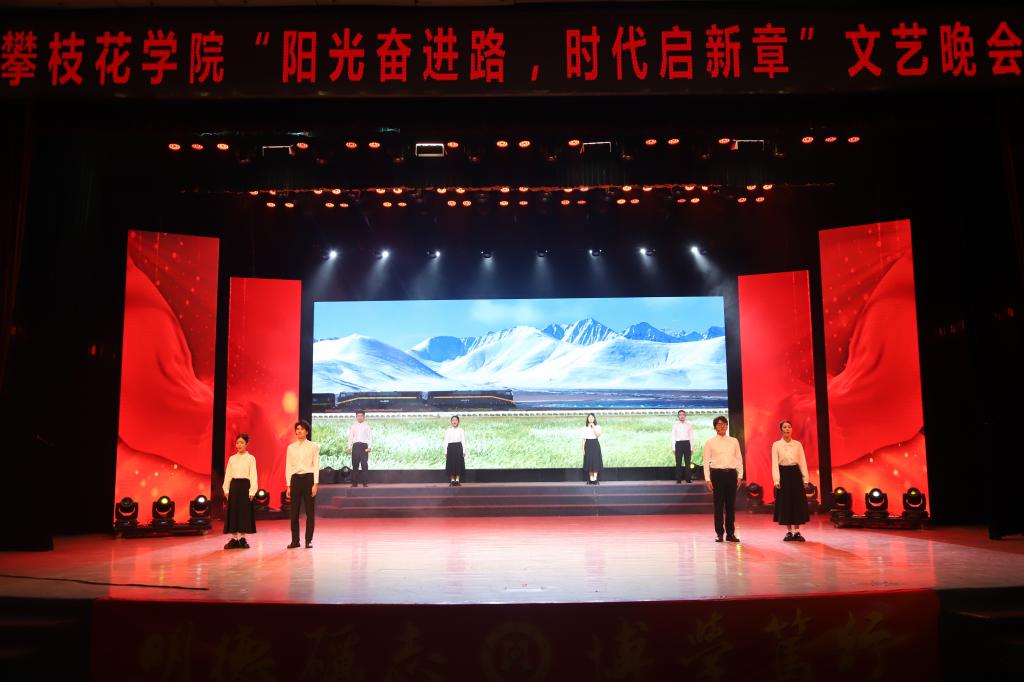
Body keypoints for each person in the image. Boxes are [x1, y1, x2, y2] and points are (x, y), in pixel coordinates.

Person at [703, 415, 745, 543]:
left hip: (731, 474)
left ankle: (730, 534)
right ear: (715, 427)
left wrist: (740, 476)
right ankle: (719, 533)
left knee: (731, 505)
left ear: (727, 426)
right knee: (718, 505)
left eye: (724, 424)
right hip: (717, 475)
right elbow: (706, 462)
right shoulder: (710, 442)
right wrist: (707, 479)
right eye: (719, 424)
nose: (722, 426)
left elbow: (739, 459)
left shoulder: (734, 441)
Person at [772, 420, 811, 541]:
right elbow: (774, 464)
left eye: (789, 427)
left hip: (795, 474)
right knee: (786, 503)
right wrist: (776, 480)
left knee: (797, 502)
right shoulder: (776, 445)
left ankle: (797, 531)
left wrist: (805, 478)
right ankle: (789, 531)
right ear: (781, 430)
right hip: (783, 474)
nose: (787, 429)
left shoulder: (797, 444)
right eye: (785, 427)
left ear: (792, 429)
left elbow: (802, 461)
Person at [286, 420, 319, 549]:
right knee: (294, 513)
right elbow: (288, 466)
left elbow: (316, 465)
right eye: (297, 429)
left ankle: (308, 540)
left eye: (301, 429)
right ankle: (295, 541)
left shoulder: (313, 446)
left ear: (307, 432)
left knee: (310, 513)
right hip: (295, 479)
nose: (299, 431)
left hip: (309, 479)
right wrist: (288, 485)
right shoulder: (291, 447)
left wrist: (315, 483)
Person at [223, 433, 258, 549]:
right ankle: (234, 539)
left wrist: (252, 491)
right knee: (233, 512)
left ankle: (242, 538)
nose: (239, 445)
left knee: (244, 512)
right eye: (237, 443)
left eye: (242, 442)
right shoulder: (232, 459)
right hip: (234, 486)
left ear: (246, 444)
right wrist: (226, 489)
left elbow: (253, 475)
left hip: (245, 487)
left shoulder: (251, 458)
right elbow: (228, 475)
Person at [347, 409, 372, 488]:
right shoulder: (353, 426)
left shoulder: (367, 426)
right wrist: (349, 446)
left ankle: (365, 483)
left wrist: (370, 447)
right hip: (356, 446)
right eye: (358, 416)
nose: (359, 417)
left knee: (364, 465)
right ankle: (354, 483)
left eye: (361, 416)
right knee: (355, 465)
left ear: (364, 417)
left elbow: (370, 437)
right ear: (356, 417)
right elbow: (350, 437)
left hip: (364, 447)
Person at [671, 409, 696, 483]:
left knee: (688, 463)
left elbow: (691, 437)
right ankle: (678, 479)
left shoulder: (689, 425)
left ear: (685, 416)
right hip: (678, 444)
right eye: (680, 415)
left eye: (683, 415)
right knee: (678, 463)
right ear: (678, 416)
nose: (682, 416)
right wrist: (673, 448)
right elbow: (673, 437)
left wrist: (691, 448)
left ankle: (688, 479)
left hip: (687, 444)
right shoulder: (675, 425)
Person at [444, 415, 467, 486]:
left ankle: (457, 480)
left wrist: (464, 450)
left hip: (459, 447)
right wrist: (445, 451)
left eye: (456, 420)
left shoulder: (461, 430)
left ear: (458, 422)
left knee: (458, 463)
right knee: (451, 463)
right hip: (450, 447)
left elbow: (463, 441)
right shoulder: (448, 430)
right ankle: (452, 480)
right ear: (451, 422)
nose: (454, 421)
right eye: (453, 420)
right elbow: (446, 441)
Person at [581, 413, 603, 485]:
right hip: (588, 444)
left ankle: (595, 479)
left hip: (595, 444)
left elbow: (597, 435)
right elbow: (583, 439)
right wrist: (583, 449)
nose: (590, 418)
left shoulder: (598, 427)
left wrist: (593, 427)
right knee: (589, 461)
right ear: (587, 419)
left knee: (595, 460)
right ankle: (591, 479)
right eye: (589, 417)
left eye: (592, 417)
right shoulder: (584, 428)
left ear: (594, 418)